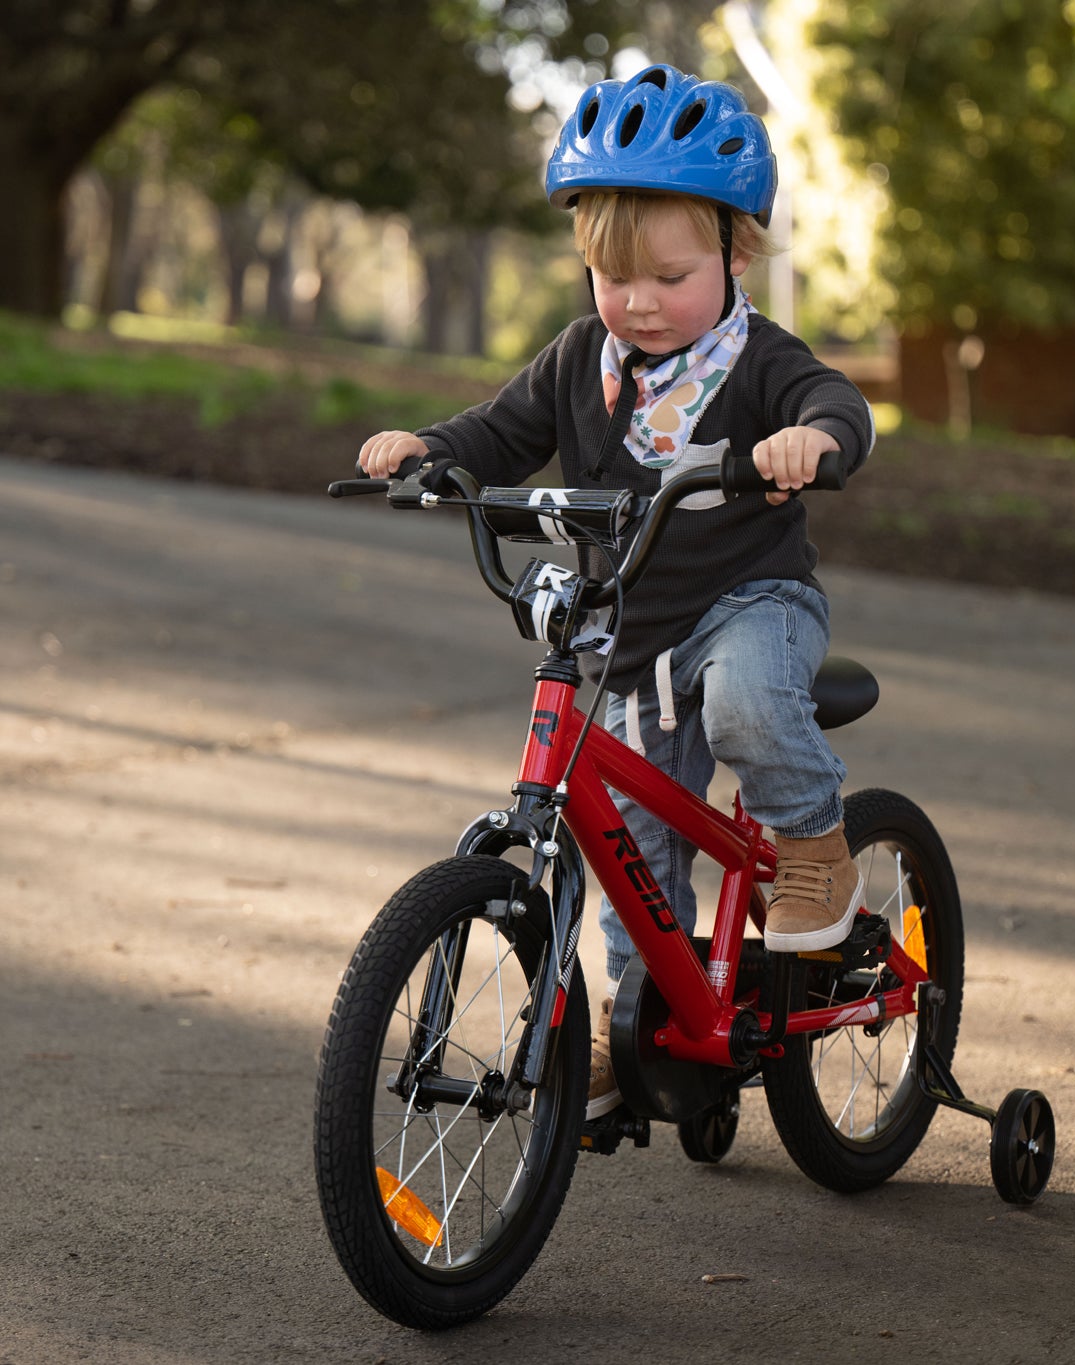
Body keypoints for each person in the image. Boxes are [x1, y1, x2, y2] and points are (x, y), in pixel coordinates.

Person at [356, 65, 875, 1119]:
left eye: (668, 278)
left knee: (740, 702)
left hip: (750, 601)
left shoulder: (762, 363)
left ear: (736, 251)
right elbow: (501, 430)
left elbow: (839, 406)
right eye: (610, 278)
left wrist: (810, 440)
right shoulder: (580, 362)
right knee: (629, 851)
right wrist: (431, 449)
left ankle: (815, 848)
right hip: (631, 630)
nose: (635, 303)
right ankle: (648, 1028)